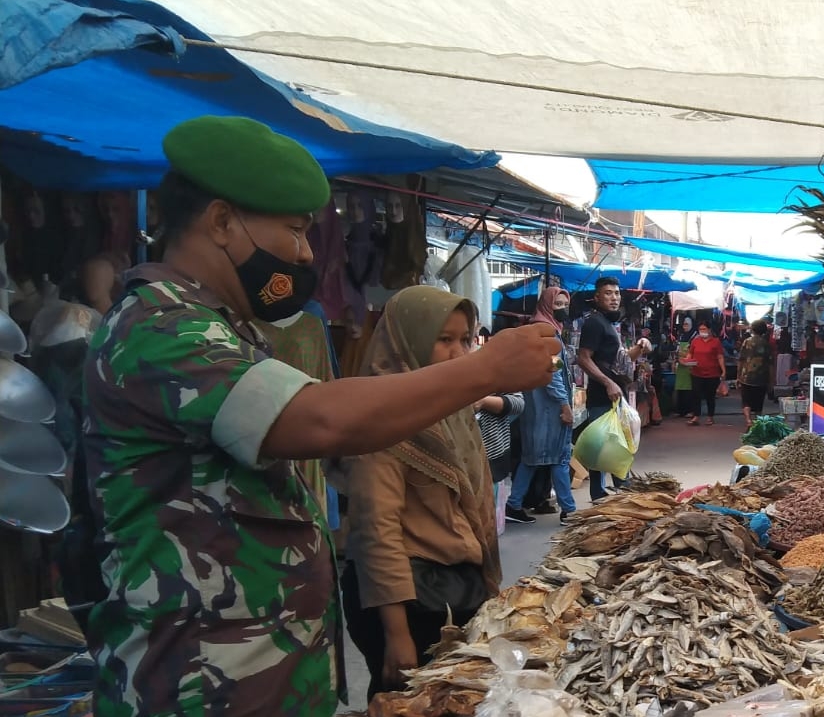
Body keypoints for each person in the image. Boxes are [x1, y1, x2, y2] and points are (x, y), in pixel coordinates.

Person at [80, 115, 560, 717]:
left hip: (254, 675)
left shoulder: (222, 328)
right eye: (295, 230)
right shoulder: (161, 329)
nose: (307, 253)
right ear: (221, 222)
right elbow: (321, 421)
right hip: (198, 683)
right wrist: (485, 369)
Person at [342, 285, 500, 700]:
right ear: (407, 342)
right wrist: (397, 635)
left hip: (455, 587)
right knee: (406, 702)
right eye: (444, 339)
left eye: (465, 339)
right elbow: (377, 532)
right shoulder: (383, 420)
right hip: (408, 601)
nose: (459, 353)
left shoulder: (452, 408)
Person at [507, 287, 578, 525]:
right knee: (559, 458)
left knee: (531, 458)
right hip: (549, 409)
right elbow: (553, 374)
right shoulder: (547, 336)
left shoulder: (538, 331)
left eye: (565, 304)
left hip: (536, 408)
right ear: (547, 306)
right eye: (557, 304)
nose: (563, 309)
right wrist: (564, 405)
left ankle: (513, 504)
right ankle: (569, 510)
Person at [576, 277, 646, 500]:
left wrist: (640, 346)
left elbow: (621, 359)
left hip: (615, 396)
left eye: (616, 293)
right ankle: (609, 493)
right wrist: (608, 383)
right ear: (597, 297)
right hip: (602, 396)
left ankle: (615, 492)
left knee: (616, 444)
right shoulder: (594, 323)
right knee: (605, 447)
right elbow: (583, 358)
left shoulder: (609, 324)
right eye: (608, 293)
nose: (614, 298)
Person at [683, 322, 726, 426]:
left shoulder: (716, 342)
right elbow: (690, 353)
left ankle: (710, 417)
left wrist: (723, 370)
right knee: (696, 395)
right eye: (700, 329)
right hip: (696, 372)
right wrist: (687, 361)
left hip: (712, 373)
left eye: (704, 329)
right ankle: (696, 416)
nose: (702, 331)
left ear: (709, 330)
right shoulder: (695, 341)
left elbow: (720, 357)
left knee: (710, 396)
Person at [738, 320, 773, 427]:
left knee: (746, 401)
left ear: (753, 329)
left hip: (746, 376)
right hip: (761, 377)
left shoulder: (746, 342)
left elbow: (741, 360)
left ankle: (748, 420)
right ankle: (758, 422)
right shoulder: (766, 344)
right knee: (759, 401)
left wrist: (738, 376)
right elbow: (770, 364)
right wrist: (772, 380)